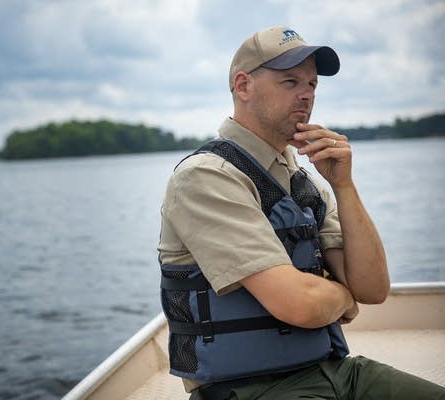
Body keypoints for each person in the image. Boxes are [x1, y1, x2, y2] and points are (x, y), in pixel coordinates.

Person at [157, 25, 445, 400]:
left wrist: (345, 185)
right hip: (250, 390)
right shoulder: (206, 177)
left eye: (311, 85)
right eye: (290, 81)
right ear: (243, 87)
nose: (306, 95)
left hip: (337, 372)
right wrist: (344, 297)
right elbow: (300, 305)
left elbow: (373, 289)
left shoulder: (304, 179)